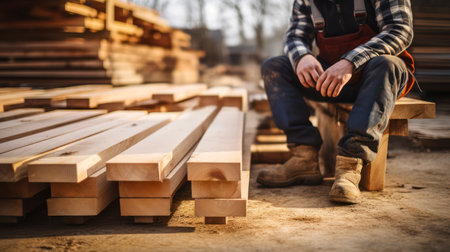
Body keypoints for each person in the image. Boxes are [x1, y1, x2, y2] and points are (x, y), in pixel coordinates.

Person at [257, 0, 415, 204]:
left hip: (377, 79)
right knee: (274, 67)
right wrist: (302, 57)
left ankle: (350, 167)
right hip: (331, 79)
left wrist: (351, 61)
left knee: (387, 63)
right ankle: (304, 157)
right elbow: (294, 37)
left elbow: (399, 31)